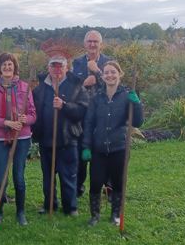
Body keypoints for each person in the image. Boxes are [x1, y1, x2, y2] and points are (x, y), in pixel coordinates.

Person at [81, 61, 143, 226]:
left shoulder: (127, 95)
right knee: (95, 182)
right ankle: (95, 216)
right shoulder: (96, 98)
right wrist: (86, 146)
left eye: (113, 72)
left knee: (118, 182)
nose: (109, 75)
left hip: (119, 148)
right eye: (106, 72)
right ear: (102, 76)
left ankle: (115, 214)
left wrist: (136, 105)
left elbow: (137, 122)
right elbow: (88, 123)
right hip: (99, 149)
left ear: (119, 74)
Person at [32, 55, 88, 216]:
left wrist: (64, 106)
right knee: (48, 177)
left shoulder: (76, 86)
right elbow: (34, 111)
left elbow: (82, 111)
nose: (57, 70)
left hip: (68, 139)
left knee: (68, 174)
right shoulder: (40, 88)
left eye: (60, 67)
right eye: (53, 66)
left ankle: (70, 207)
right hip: (46, 139)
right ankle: (50, 204)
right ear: (48, 68)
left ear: (66, 68)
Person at [0, 53, 36, 226]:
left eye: (10, 64)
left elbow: (33, 114)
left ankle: (20, 213)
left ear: (15, 67)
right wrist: (6, 122)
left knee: (19, 177)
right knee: (1, 178)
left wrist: (25, 120)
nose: (7, 67)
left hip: (21, 138)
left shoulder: (24, 87)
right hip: (0, 138)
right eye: (4, 64)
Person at [72, 30, 112, 197]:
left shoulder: (108, 62)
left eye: (96, 41)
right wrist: (84, 83)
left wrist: (97, 72)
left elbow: (112, 85)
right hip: (82, 116)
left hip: (103, 117)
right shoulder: (77, 62)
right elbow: (72, 88)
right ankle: (78, 186)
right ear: (85, 43)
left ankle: (108, 187)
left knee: (105, 152)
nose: (92, 44)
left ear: (100, 44)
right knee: (82, 152)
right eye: (90, 41)